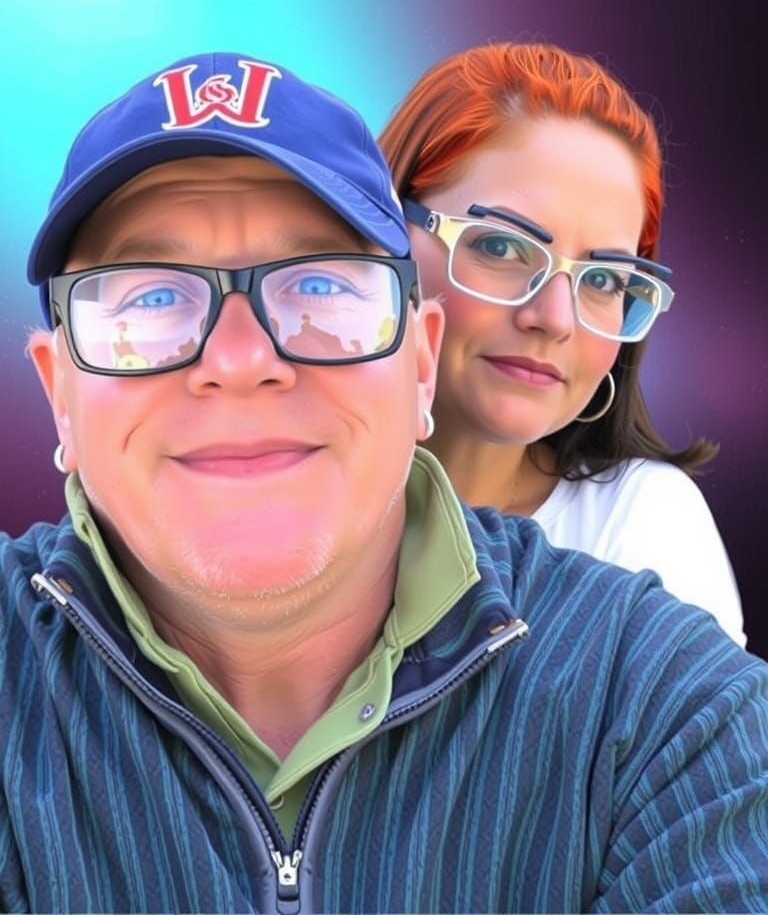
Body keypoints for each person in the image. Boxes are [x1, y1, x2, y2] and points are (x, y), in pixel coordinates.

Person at [1, 52, 766, 913]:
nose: (240, 360)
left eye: (318, 284)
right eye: (147, 298)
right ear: (59, 394)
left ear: (419, 361)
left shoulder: (661, 695)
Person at [379, 42, 746, 645]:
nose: (554, 319)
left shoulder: (644, 523)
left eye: (603, 281)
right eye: (500, 246)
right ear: (386, 227)